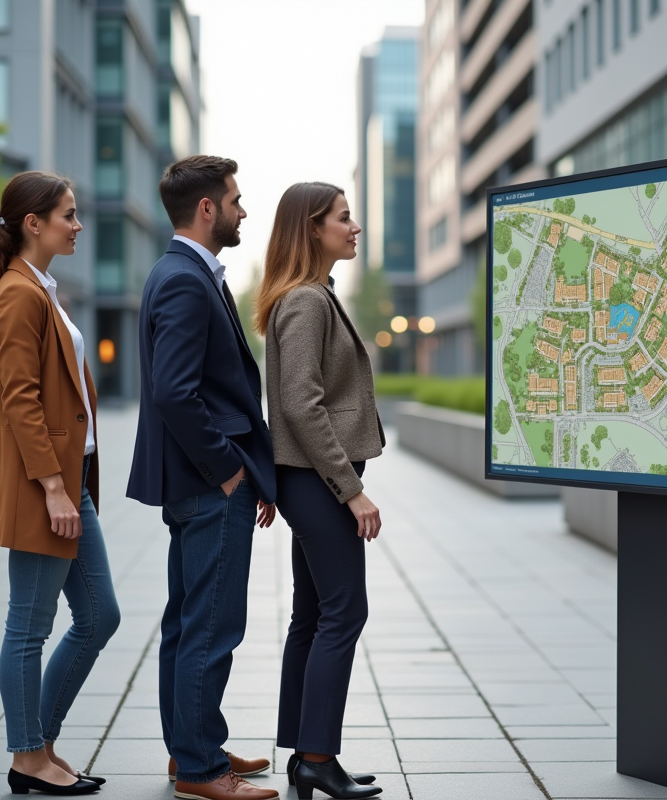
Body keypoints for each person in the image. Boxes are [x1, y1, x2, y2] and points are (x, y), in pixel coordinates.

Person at [127, 156, 279, 800]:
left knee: (189, 623)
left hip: (195, 483)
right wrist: (228, 473)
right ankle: (199, 770)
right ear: (208, 209)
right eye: (237, 200)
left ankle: (193, 748)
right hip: (207, 484)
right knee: (212, 625)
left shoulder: (185, 273)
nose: (244, 211)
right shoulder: (187, 280)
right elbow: (176, 392)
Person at [0, 171, 119, 796]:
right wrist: (55, 490)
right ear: (33, 223)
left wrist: (71, 485)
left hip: (70, 484)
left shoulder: (41, 288)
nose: (78, 224)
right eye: (68, 214)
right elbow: (21, 401)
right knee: (29, 625)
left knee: (98, 617)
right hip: (48, 489)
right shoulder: (18, 294)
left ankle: (38, 742)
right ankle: (28, 757)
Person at [256, 183, 386, 800]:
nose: (354, 226)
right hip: (317, 482)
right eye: (342, 217)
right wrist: (351, 489)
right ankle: (316, 757)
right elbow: (303, 407)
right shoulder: (307, 301)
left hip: (305, 481)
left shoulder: (310, 296)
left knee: (311, 616)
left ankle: (306, 753)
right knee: (344, 611)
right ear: (312, 229)